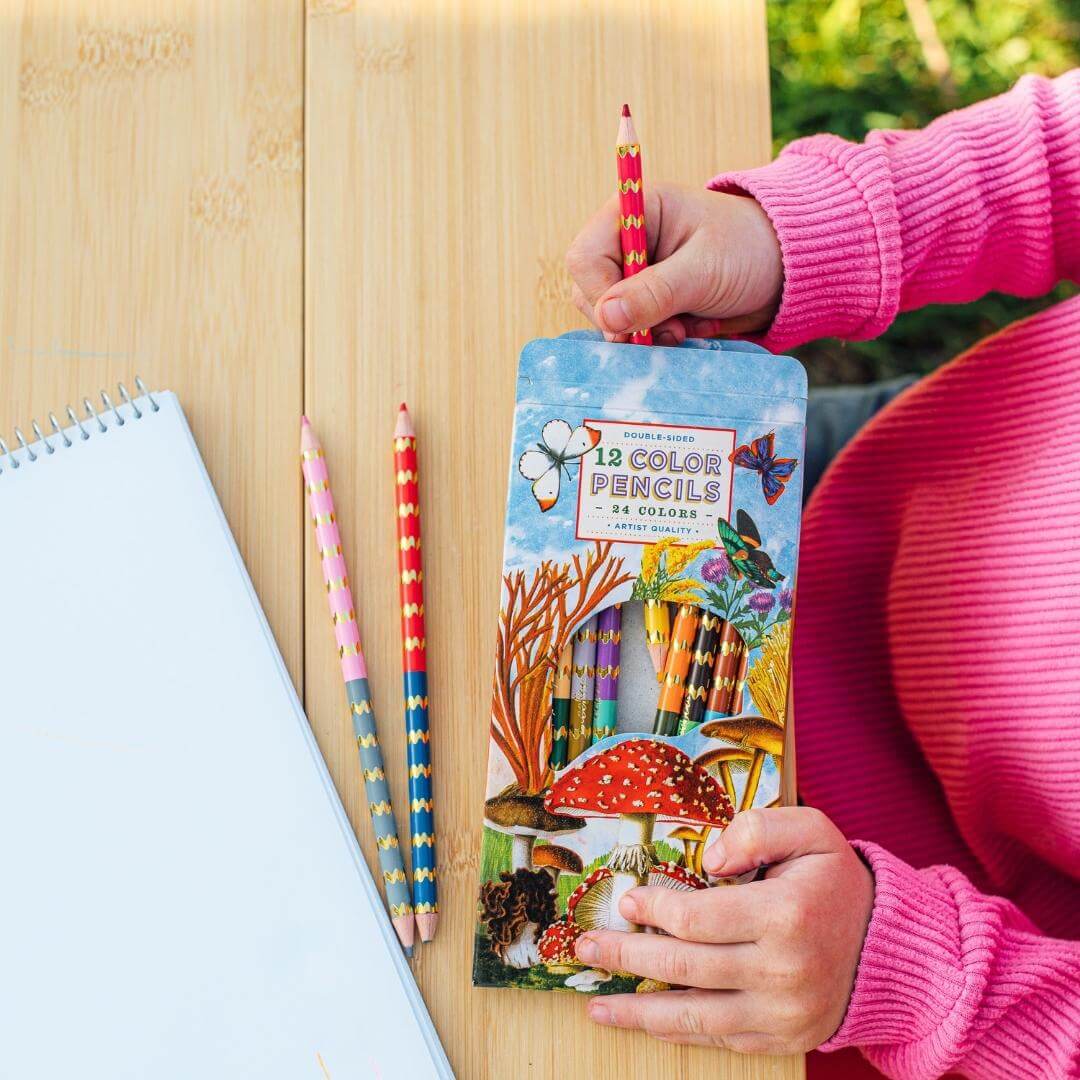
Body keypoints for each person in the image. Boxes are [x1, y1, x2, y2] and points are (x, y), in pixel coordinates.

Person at [564, 71, 1080, 1079]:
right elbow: (1060, 156)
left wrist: (909, 978)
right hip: (897, 477)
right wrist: (795, 235)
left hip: (854, 920)